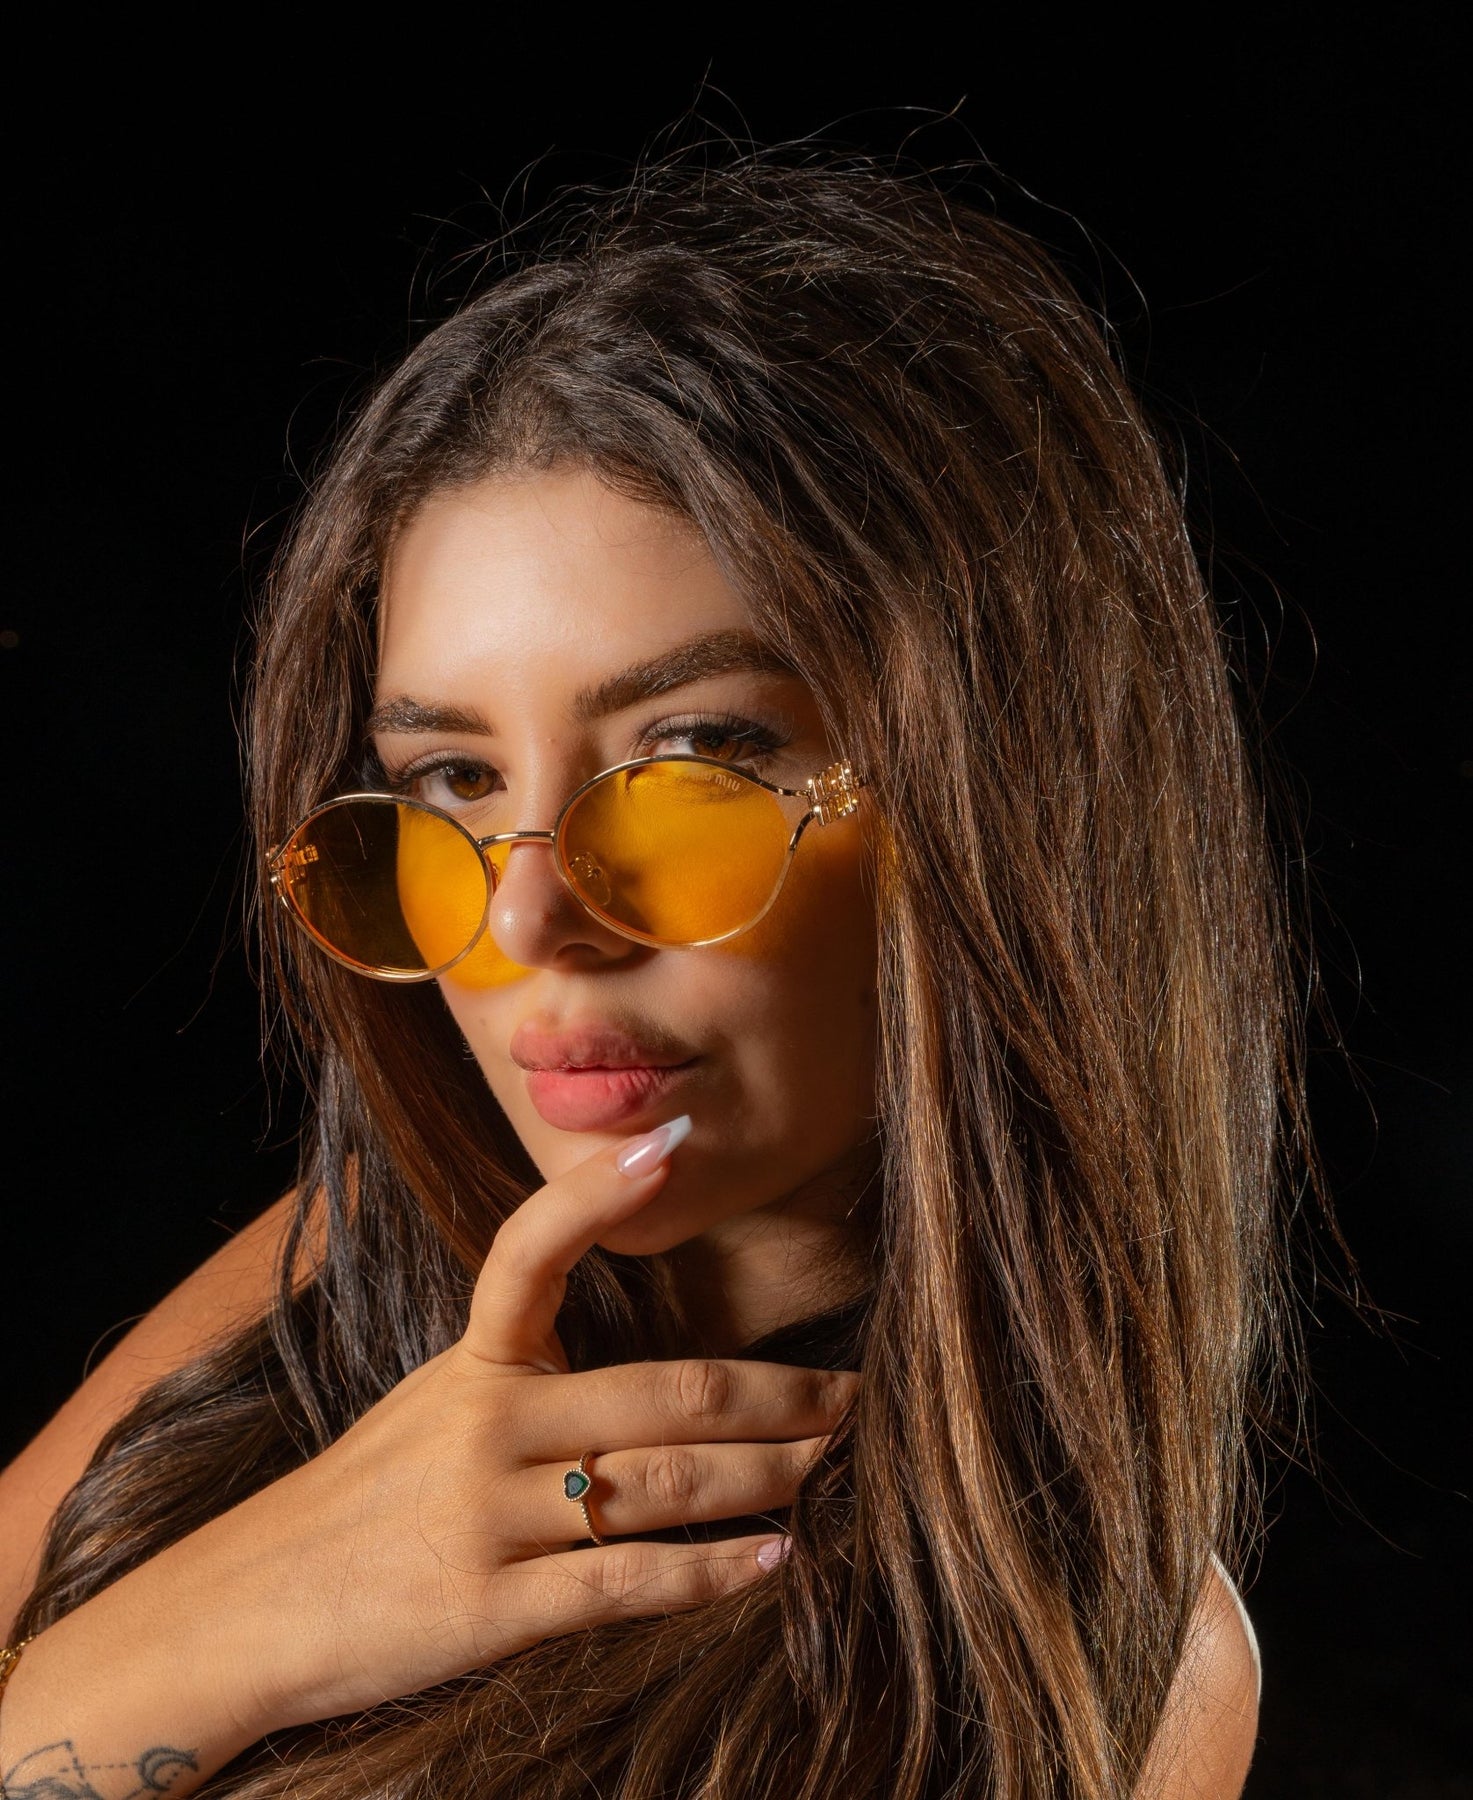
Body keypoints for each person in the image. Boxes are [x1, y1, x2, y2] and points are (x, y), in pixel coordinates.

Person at [0, 153, 1277, 1798]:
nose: (532, 917)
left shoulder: (1102, 1675)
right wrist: (230, 1627)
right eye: (455, 776)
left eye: (693, 756)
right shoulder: (334, 1256)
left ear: (997, 804)